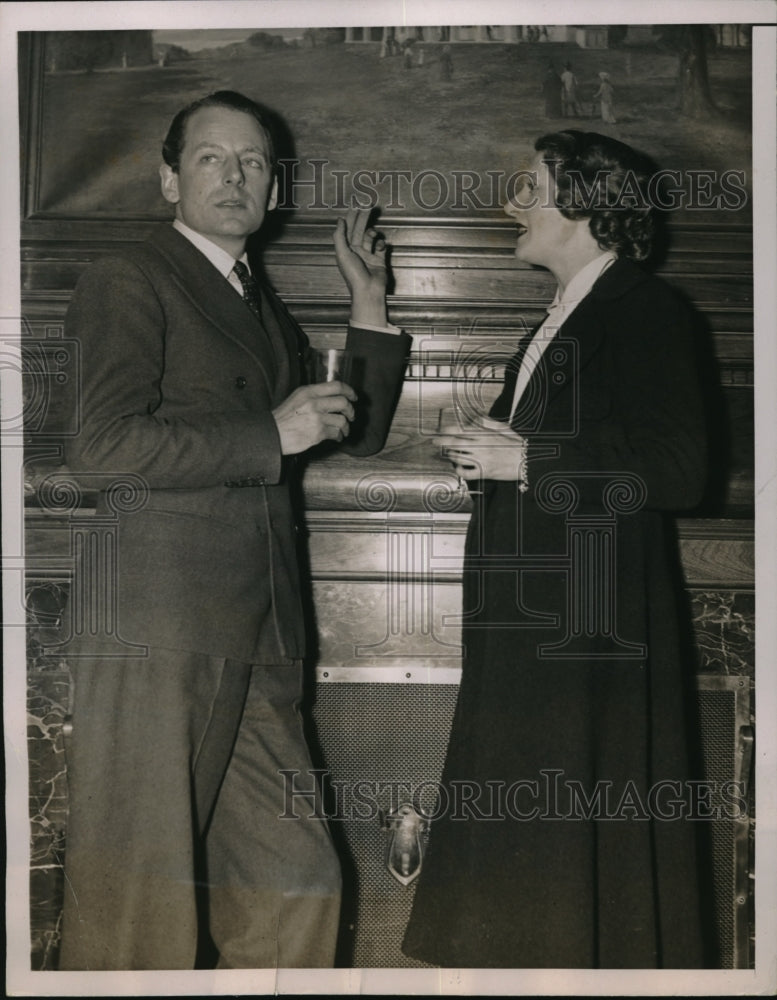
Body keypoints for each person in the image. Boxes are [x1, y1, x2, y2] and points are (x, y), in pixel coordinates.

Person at [57, 90, 410, 970]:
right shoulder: (131, 277)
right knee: (141, 907)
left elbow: (351, 429)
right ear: (169, 176)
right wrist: (270, 435)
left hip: (257, 640)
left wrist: (365, 302)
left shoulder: (252, 297)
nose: (234, 175)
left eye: (253, 161)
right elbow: (100, 449)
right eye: (211, 157)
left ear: (273, 187)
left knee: (299, 885)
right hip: (156, 628)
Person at [402, 130, 713, 968]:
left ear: (583, 205)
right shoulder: (562, 315)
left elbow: (680, 469)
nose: (514, 204)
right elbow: (562, 455)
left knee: (561, 856)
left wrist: (529, 456)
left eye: (530, 188)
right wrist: (489, 452)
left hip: (585, 635)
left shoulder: (647, 310)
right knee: (528, 854)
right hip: (532, 625)